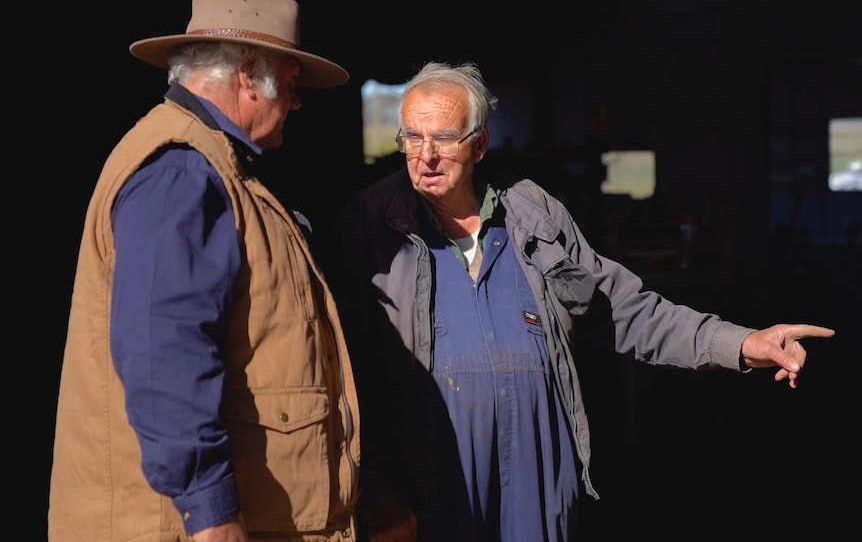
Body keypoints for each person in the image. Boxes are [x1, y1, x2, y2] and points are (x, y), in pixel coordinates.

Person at [330, 61, 836, 542]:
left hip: (538, 484)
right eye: (411, 137)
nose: (425, 155)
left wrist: (742, 342)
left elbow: (624, 309)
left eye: (443, 137)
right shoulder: (372, 225)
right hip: (434, 491)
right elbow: (343, 372)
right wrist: (376, 494)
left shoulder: (532, 214)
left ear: (480, 144)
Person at [48, 0, 361, 542]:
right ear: (247, 75)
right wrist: (212, 515)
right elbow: (162, 349)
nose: (296, 102)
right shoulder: (181, 172)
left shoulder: (211, 164)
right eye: (289, 86)